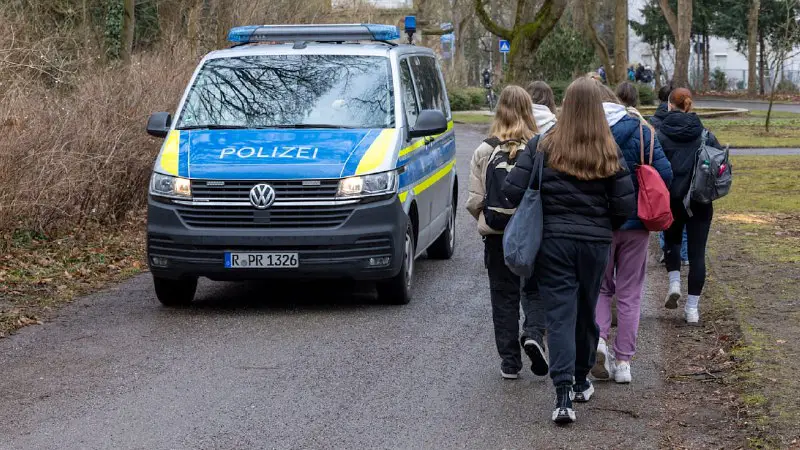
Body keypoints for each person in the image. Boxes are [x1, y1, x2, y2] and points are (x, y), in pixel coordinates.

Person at [503, 77, 636, 424]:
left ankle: (563, 396)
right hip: (594, 245)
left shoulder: (542, 144)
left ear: (566, 105)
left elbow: (511, 192)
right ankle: (580, 379)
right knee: (586, 309)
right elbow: (625, 206)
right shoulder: (608, 149)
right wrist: (604, 227)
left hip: (553, 243)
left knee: (560, 315)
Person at [466, 85, 548, 381]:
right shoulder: (541, 148)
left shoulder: (484, 150)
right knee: (535, 289)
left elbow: (475, 199)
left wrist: (488, 221)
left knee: (503, 297)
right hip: (533, 234)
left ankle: (510, 362)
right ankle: (534, 334)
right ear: (529, 111)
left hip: (497, 234)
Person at [593, 81, 673, 384]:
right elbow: (665, 174)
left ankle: (599, 340)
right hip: (637, 222)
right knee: (630, 292)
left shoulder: (589, 133)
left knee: (601, 288)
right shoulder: (641, 130)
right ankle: (624, 361)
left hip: (600, 223)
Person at [657, 88, 723, 324]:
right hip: (700, 201)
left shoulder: (660, 135)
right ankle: (692, 310)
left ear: (669, 106)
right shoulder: (705, 134)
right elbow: (719, 164)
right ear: (689, 105)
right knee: (697, 254)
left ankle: (674, 282)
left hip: (670, 200)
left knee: (672, 241)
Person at [651, 84, 690, 265]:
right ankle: (683, 253)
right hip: (685, 176)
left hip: (665, 175)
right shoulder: (690, 122)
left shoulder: (656, 120)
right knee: (684, 215)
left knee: (665, 214)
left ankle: (666, 249)